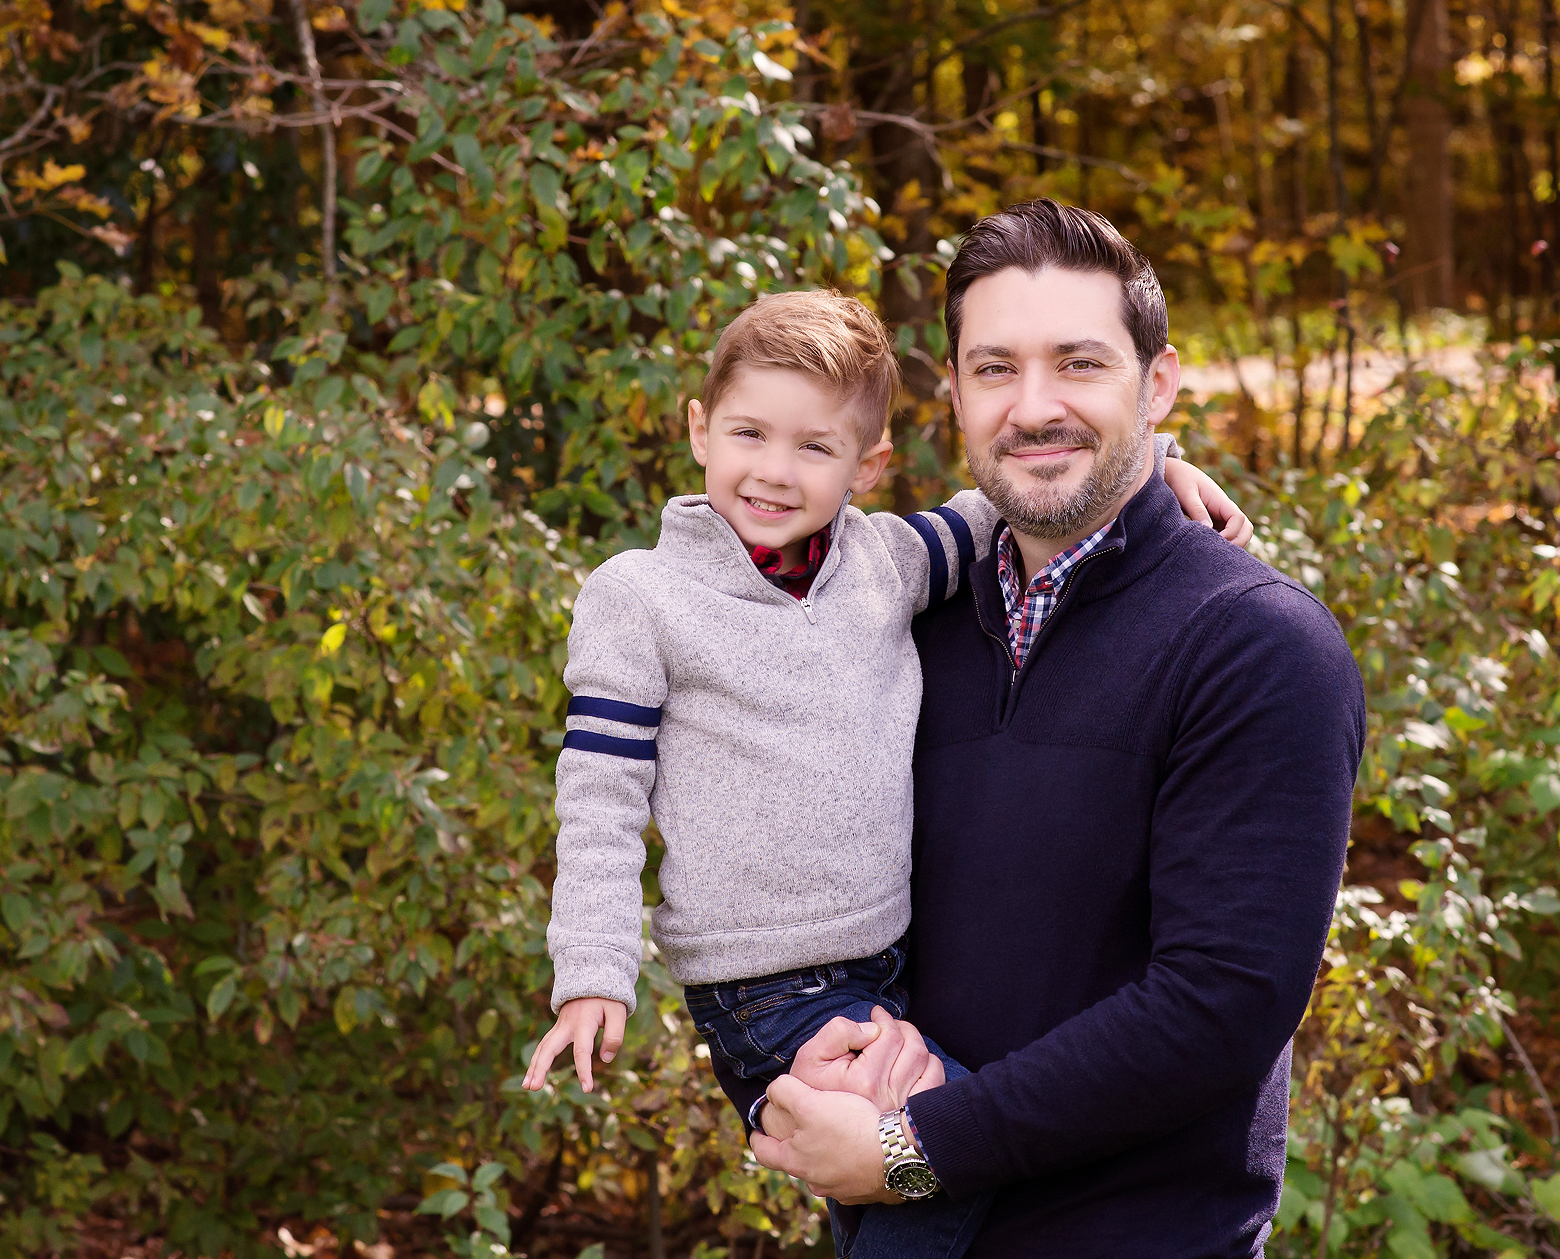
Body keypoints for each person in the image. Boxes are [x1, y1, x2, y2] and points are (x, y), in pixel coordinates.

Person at [519, 288, 1251, 1258]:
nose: (774, 473)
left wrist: (1154, 463)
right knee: (938, 1155)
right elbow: (600, 798)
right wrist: (592, 972)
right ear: (700, 430)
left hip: (890, 964)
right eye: (749, 434)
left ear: (868, 466)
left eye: (815, 449)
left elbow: (1004, 502)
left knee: (880, 1189)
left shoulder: (886, 563)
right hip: (763, 984)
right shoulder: (641, 599)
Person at [746, 201, 1367, 1259]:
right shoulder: (898, 621)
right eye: (995, 369)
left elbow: (1219, 1007)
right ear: (954, 393)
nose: (1034, 407)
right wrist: (805, 1061)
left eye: (1079, 364)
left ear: (1158, 383)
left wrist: (916, 1147)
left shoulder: (1257, 647)